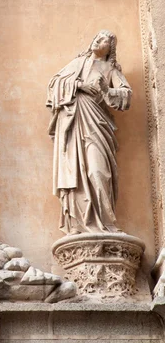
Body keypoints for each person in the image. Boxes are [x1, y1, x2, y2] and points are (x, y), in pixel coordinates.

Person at [47, 30, 131, 235]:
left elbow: (126, 96)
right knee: (76, 171)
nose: (97, 41)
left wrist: (107, 90)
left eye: (103, 40)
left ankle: (107, 224)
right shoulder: (78, 63)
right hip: (74, 123)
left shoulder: (110, 69)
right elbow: (54, 84)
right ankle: (78, 225)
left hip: (97, 125)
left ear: (110, 49)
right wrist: (80, 85)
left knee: (97, 172)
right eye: (97, 37)